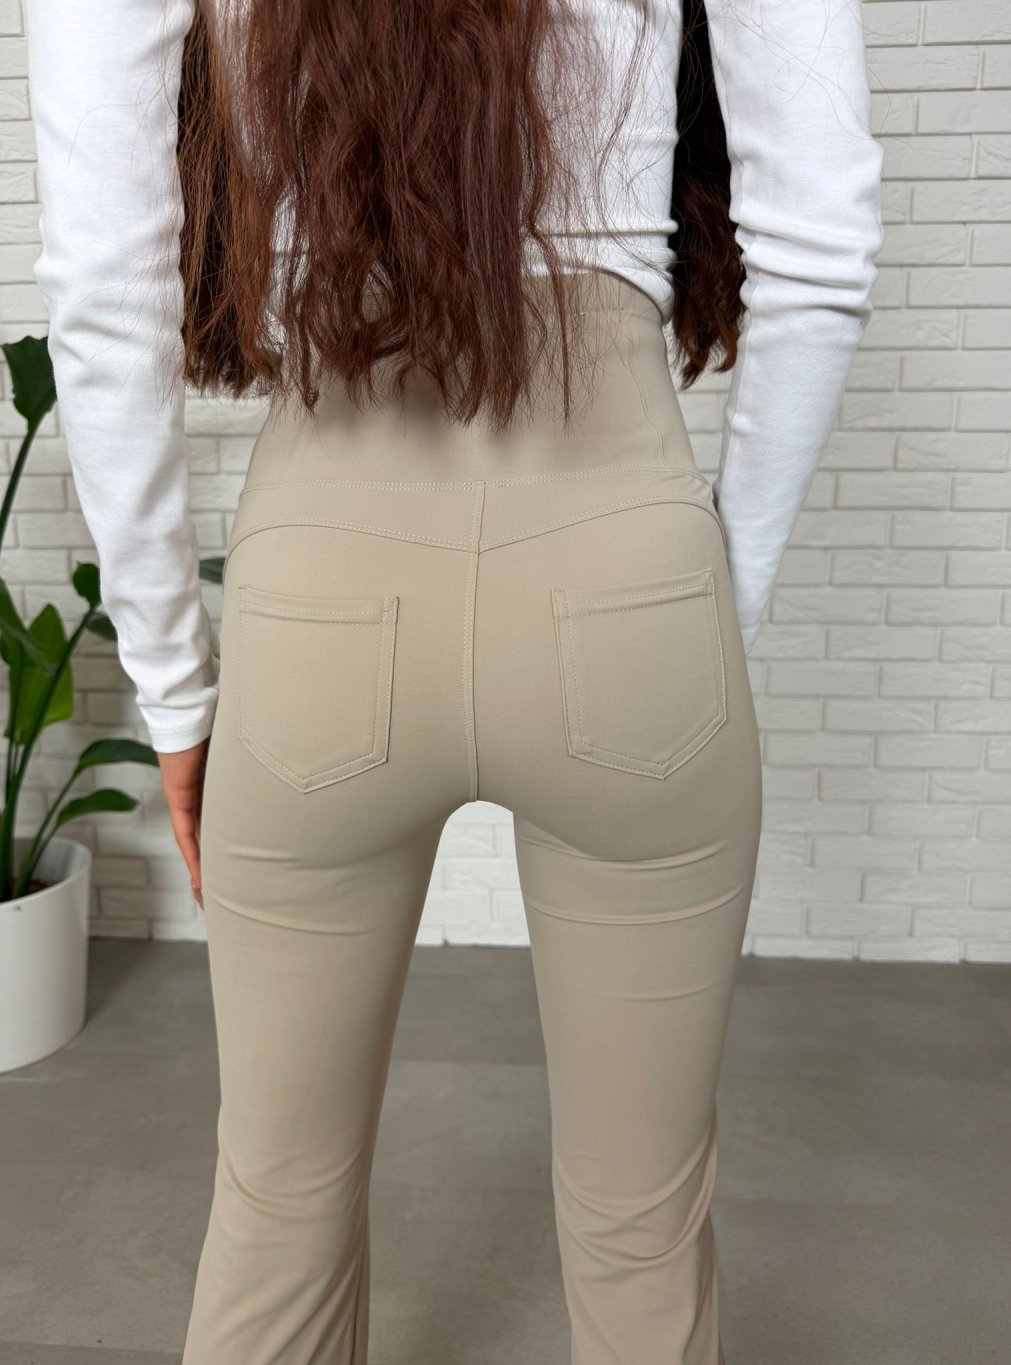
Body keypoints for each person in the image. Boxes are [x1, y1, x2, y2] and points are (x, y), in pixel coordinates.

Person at [24, 0, 883, 1360]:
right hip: (626, 572)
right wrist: (708, 612)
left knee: (277, 1207)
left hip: (323, 596)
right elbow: (823, 246)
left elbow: (102, 291)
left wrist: (177, 690)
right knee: (644, 1235)